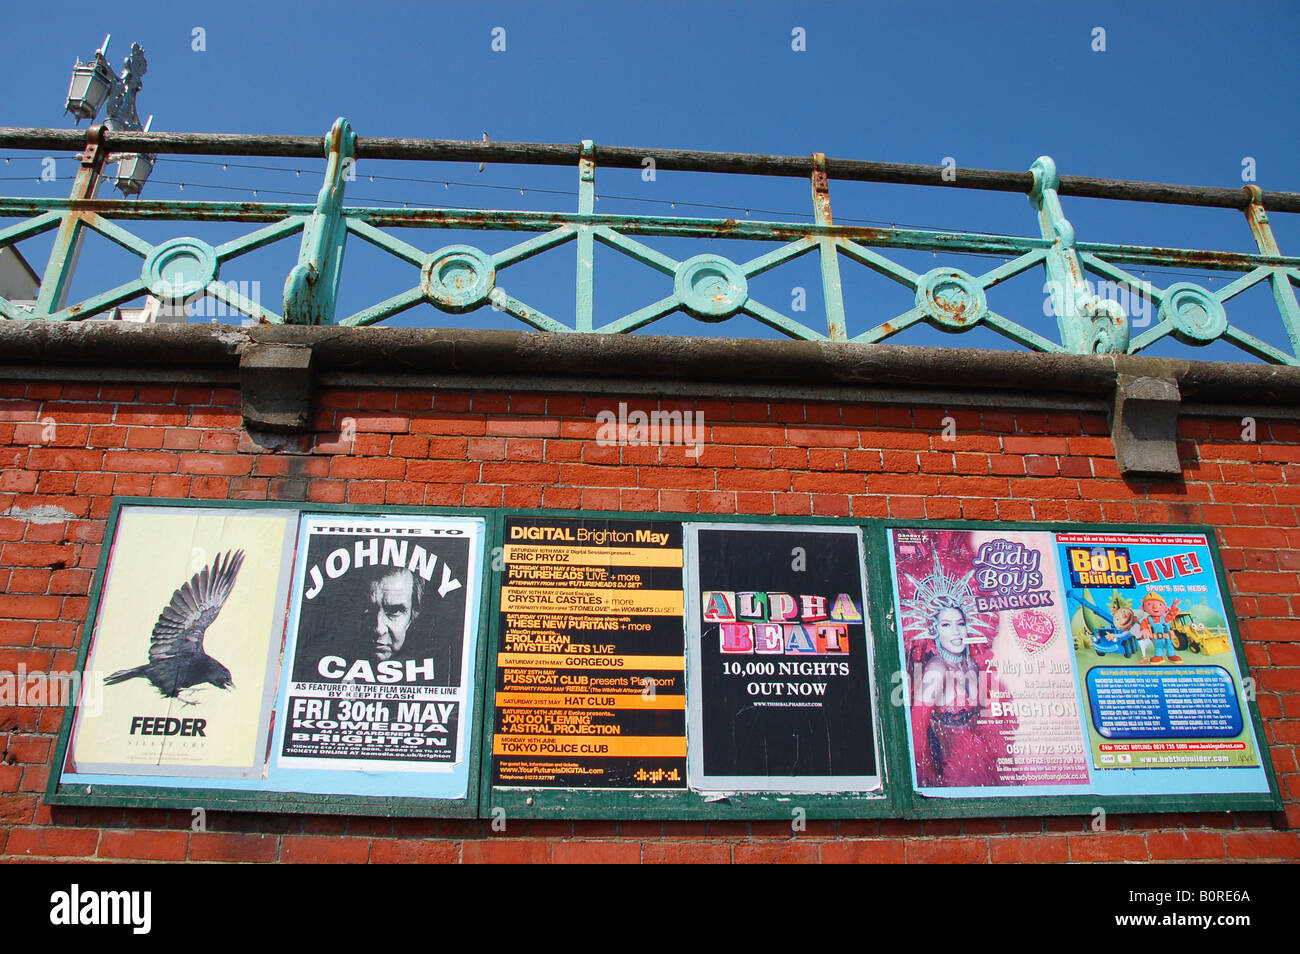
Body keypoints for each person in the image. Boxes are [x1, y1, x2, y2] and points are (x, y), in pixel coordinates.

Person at [913, 599, 1003, 788]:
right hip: (950, 778)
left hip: (983, 772)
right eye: (946, 625)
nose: (956, 632)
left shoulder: (970, 664)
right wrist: (929, 778)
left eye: (960, 624)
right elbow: (917, 732)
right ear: (934, 631)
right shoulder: (936, 670)